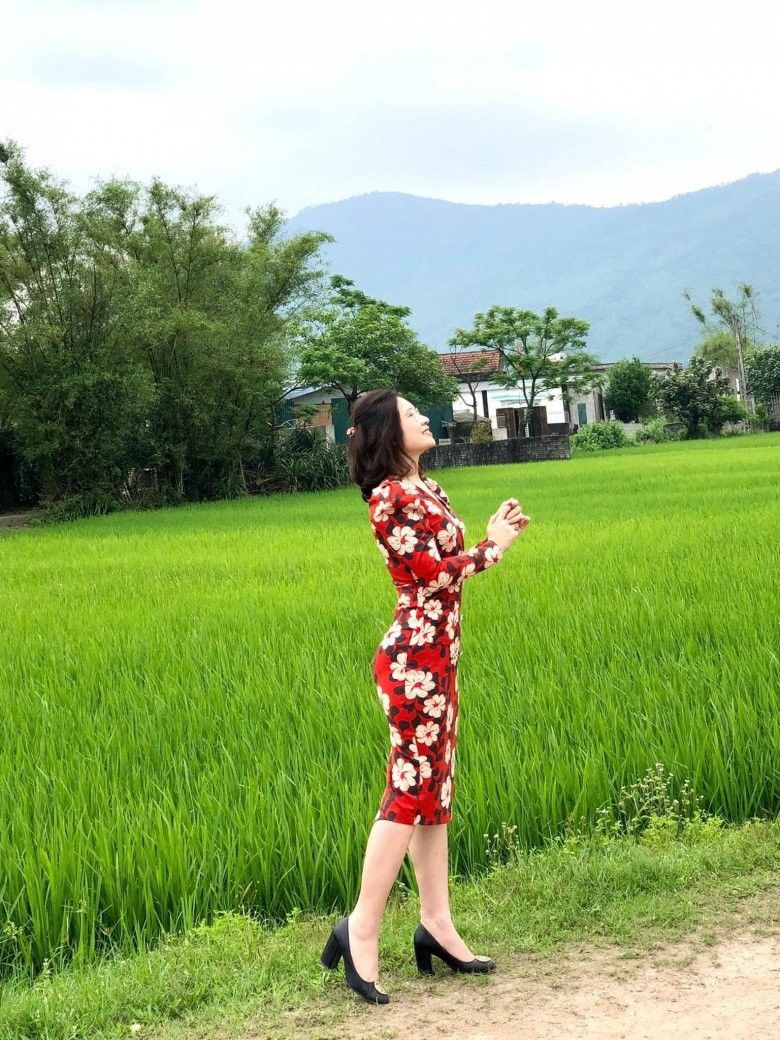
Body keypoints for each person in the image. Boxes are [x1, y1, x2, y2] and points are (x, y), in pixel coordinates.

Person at [320, 388, 530, 1004]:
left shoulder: (427, 487)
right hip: (412, 661)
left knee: (434, 794)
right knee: (408, 794)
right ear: (390, 431)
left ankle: (437, 924)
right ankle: (360, 928)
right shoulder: (389, 497)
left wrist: (488, 536)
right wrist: (494, 545)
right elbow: (433, 576)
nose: (423, 419)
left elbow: (449, 559)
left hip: (440, 659)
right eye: (411, 415)